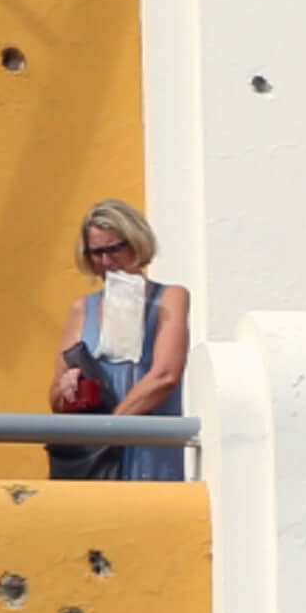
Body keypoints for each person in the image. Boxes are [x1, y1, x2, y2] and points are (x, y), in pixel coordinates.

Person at [51, 198, 189, 484]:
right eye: (96, 253)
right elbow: (55, 396)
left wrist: (111, 427)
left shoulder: (168, 298)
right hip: (96, 463)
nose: (107, 262)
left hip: (150, 454)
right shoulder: (81, 309)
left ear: (136, 243)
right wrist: (68, 389)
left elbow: (165, 375)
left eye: (115, 249)